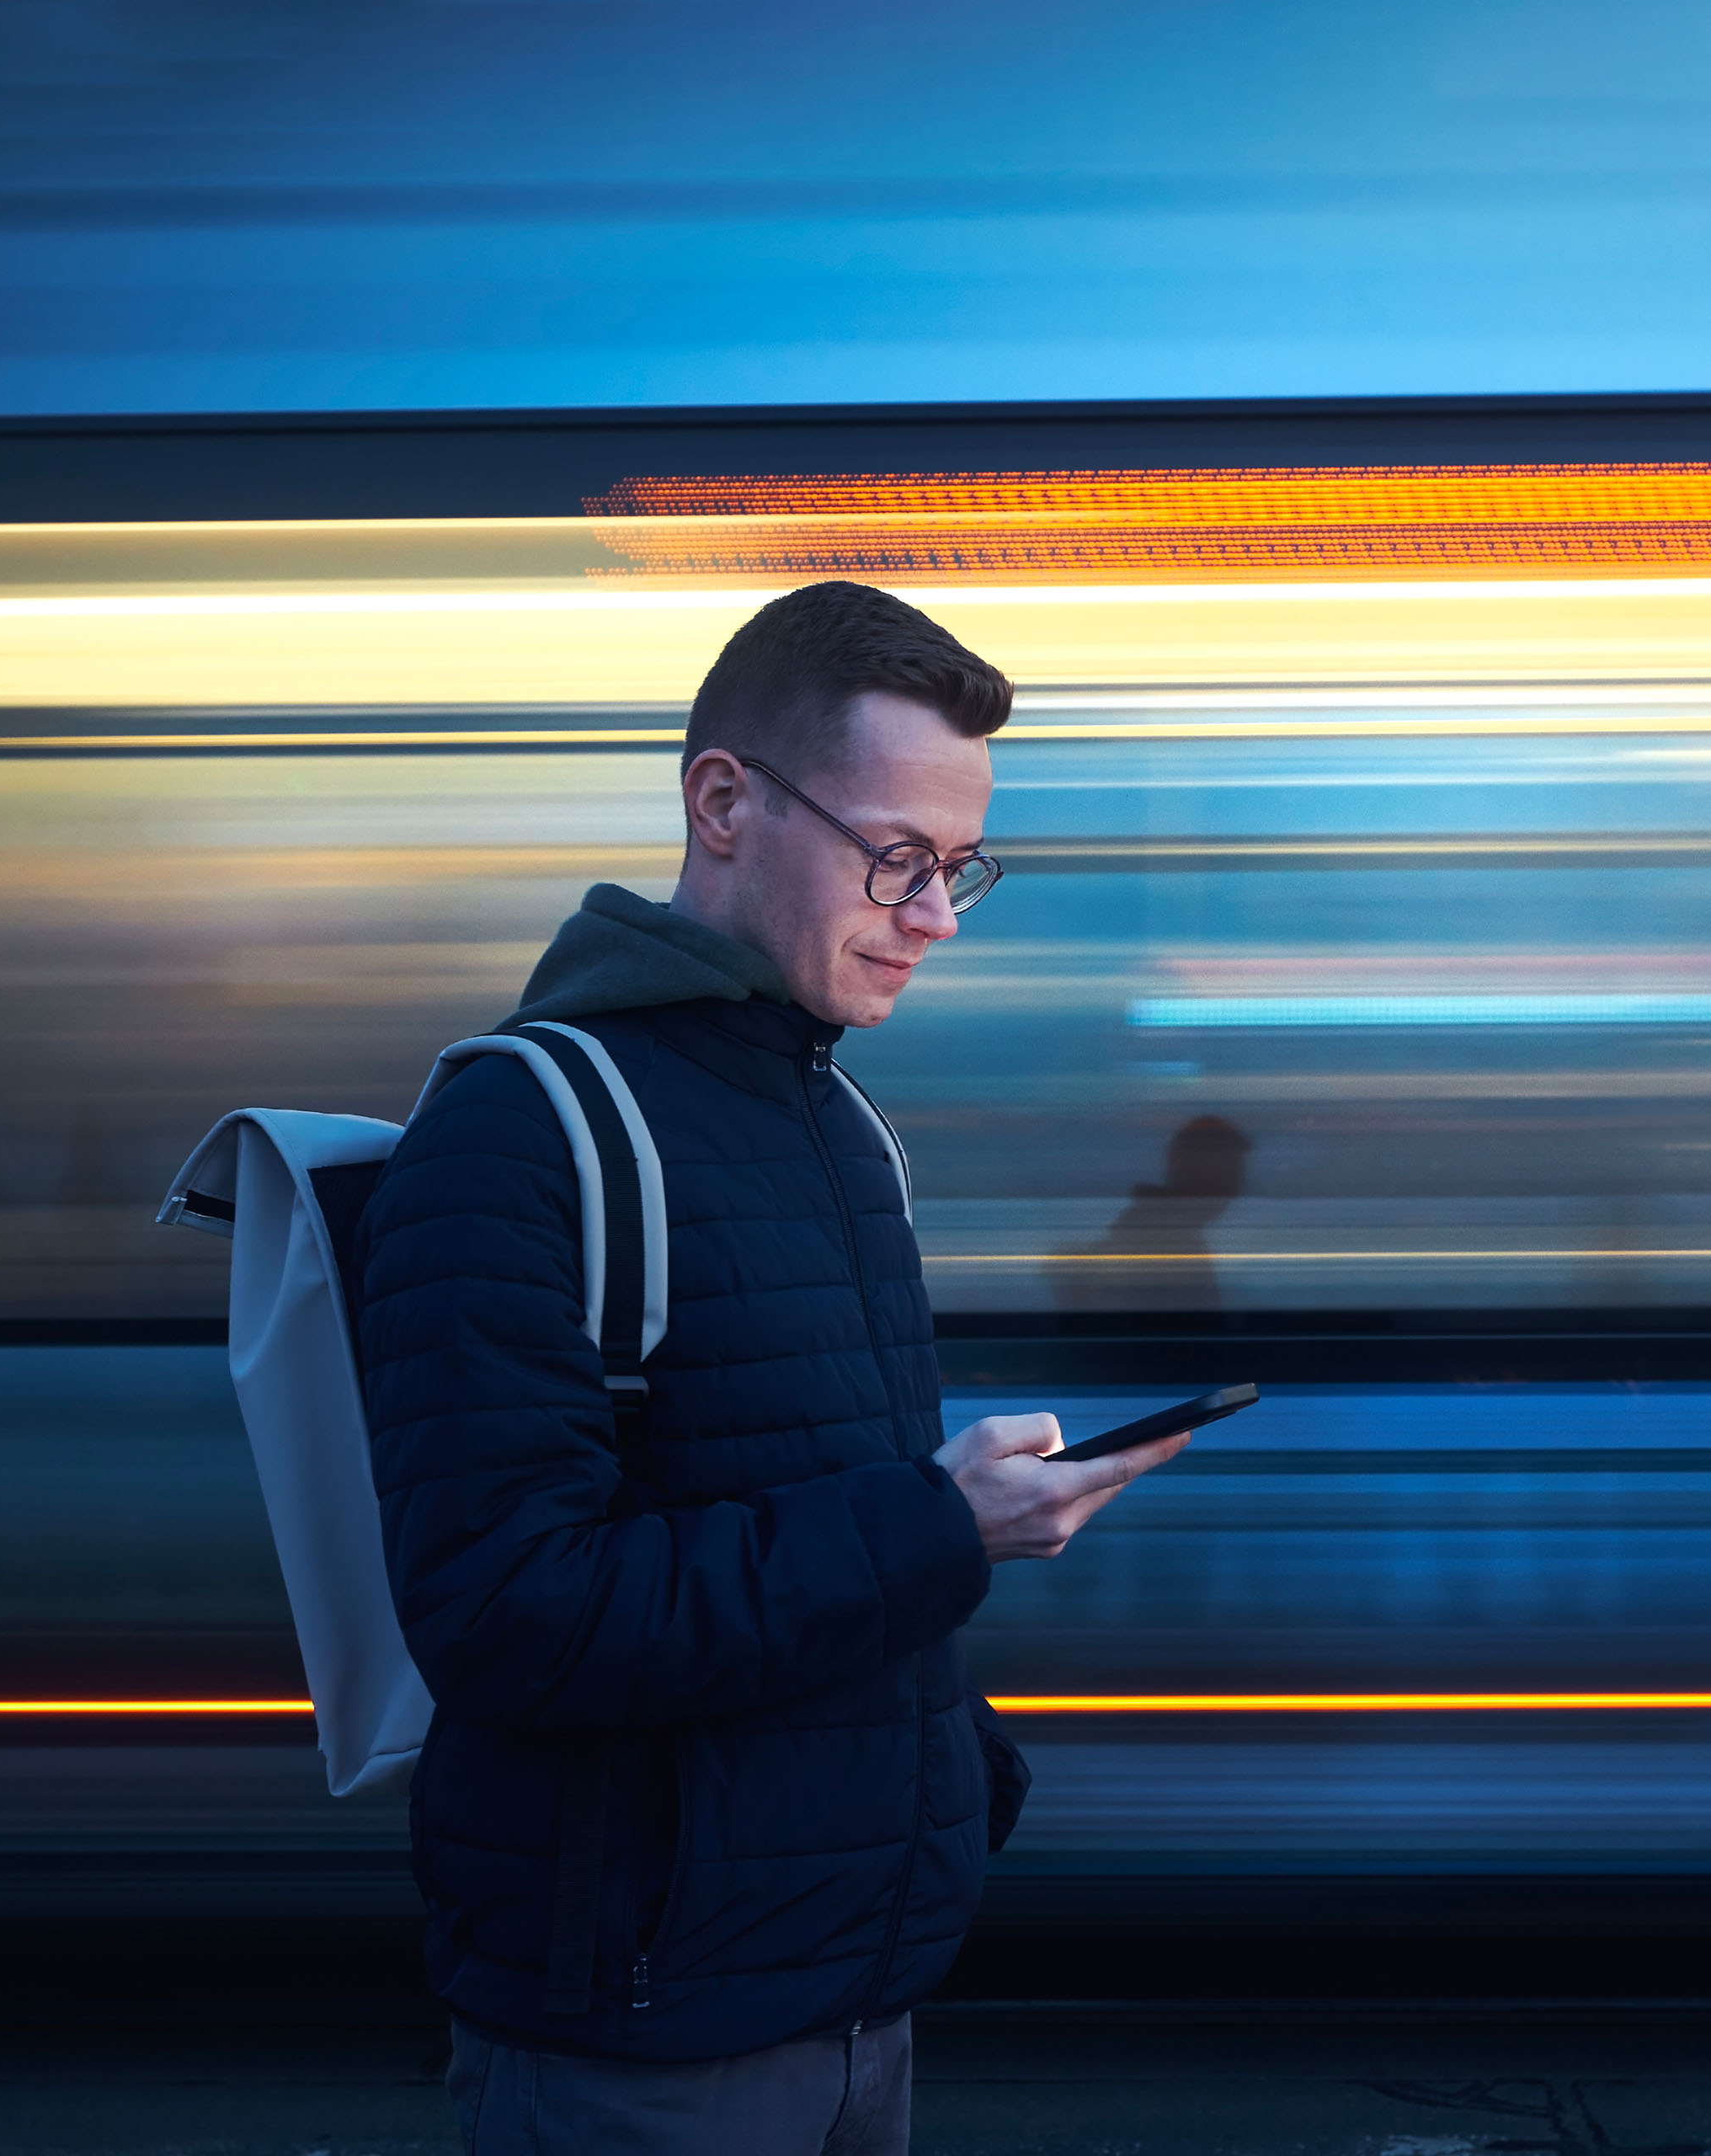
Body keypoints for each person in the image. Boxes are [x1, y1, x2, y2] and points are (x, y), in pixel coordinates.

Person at [355, 580, 1185, 2154]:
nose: (933, 917)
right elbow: (507, 1614)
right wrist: (943, 1529)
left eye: (958, 870)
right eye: (896, 858)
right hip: (643, 2029)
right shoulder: (526, 1127)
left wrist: (949, 1771)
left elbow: (812, 1516)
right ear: (723, 803)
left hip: (854, 1980)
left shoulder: (842, 1129)